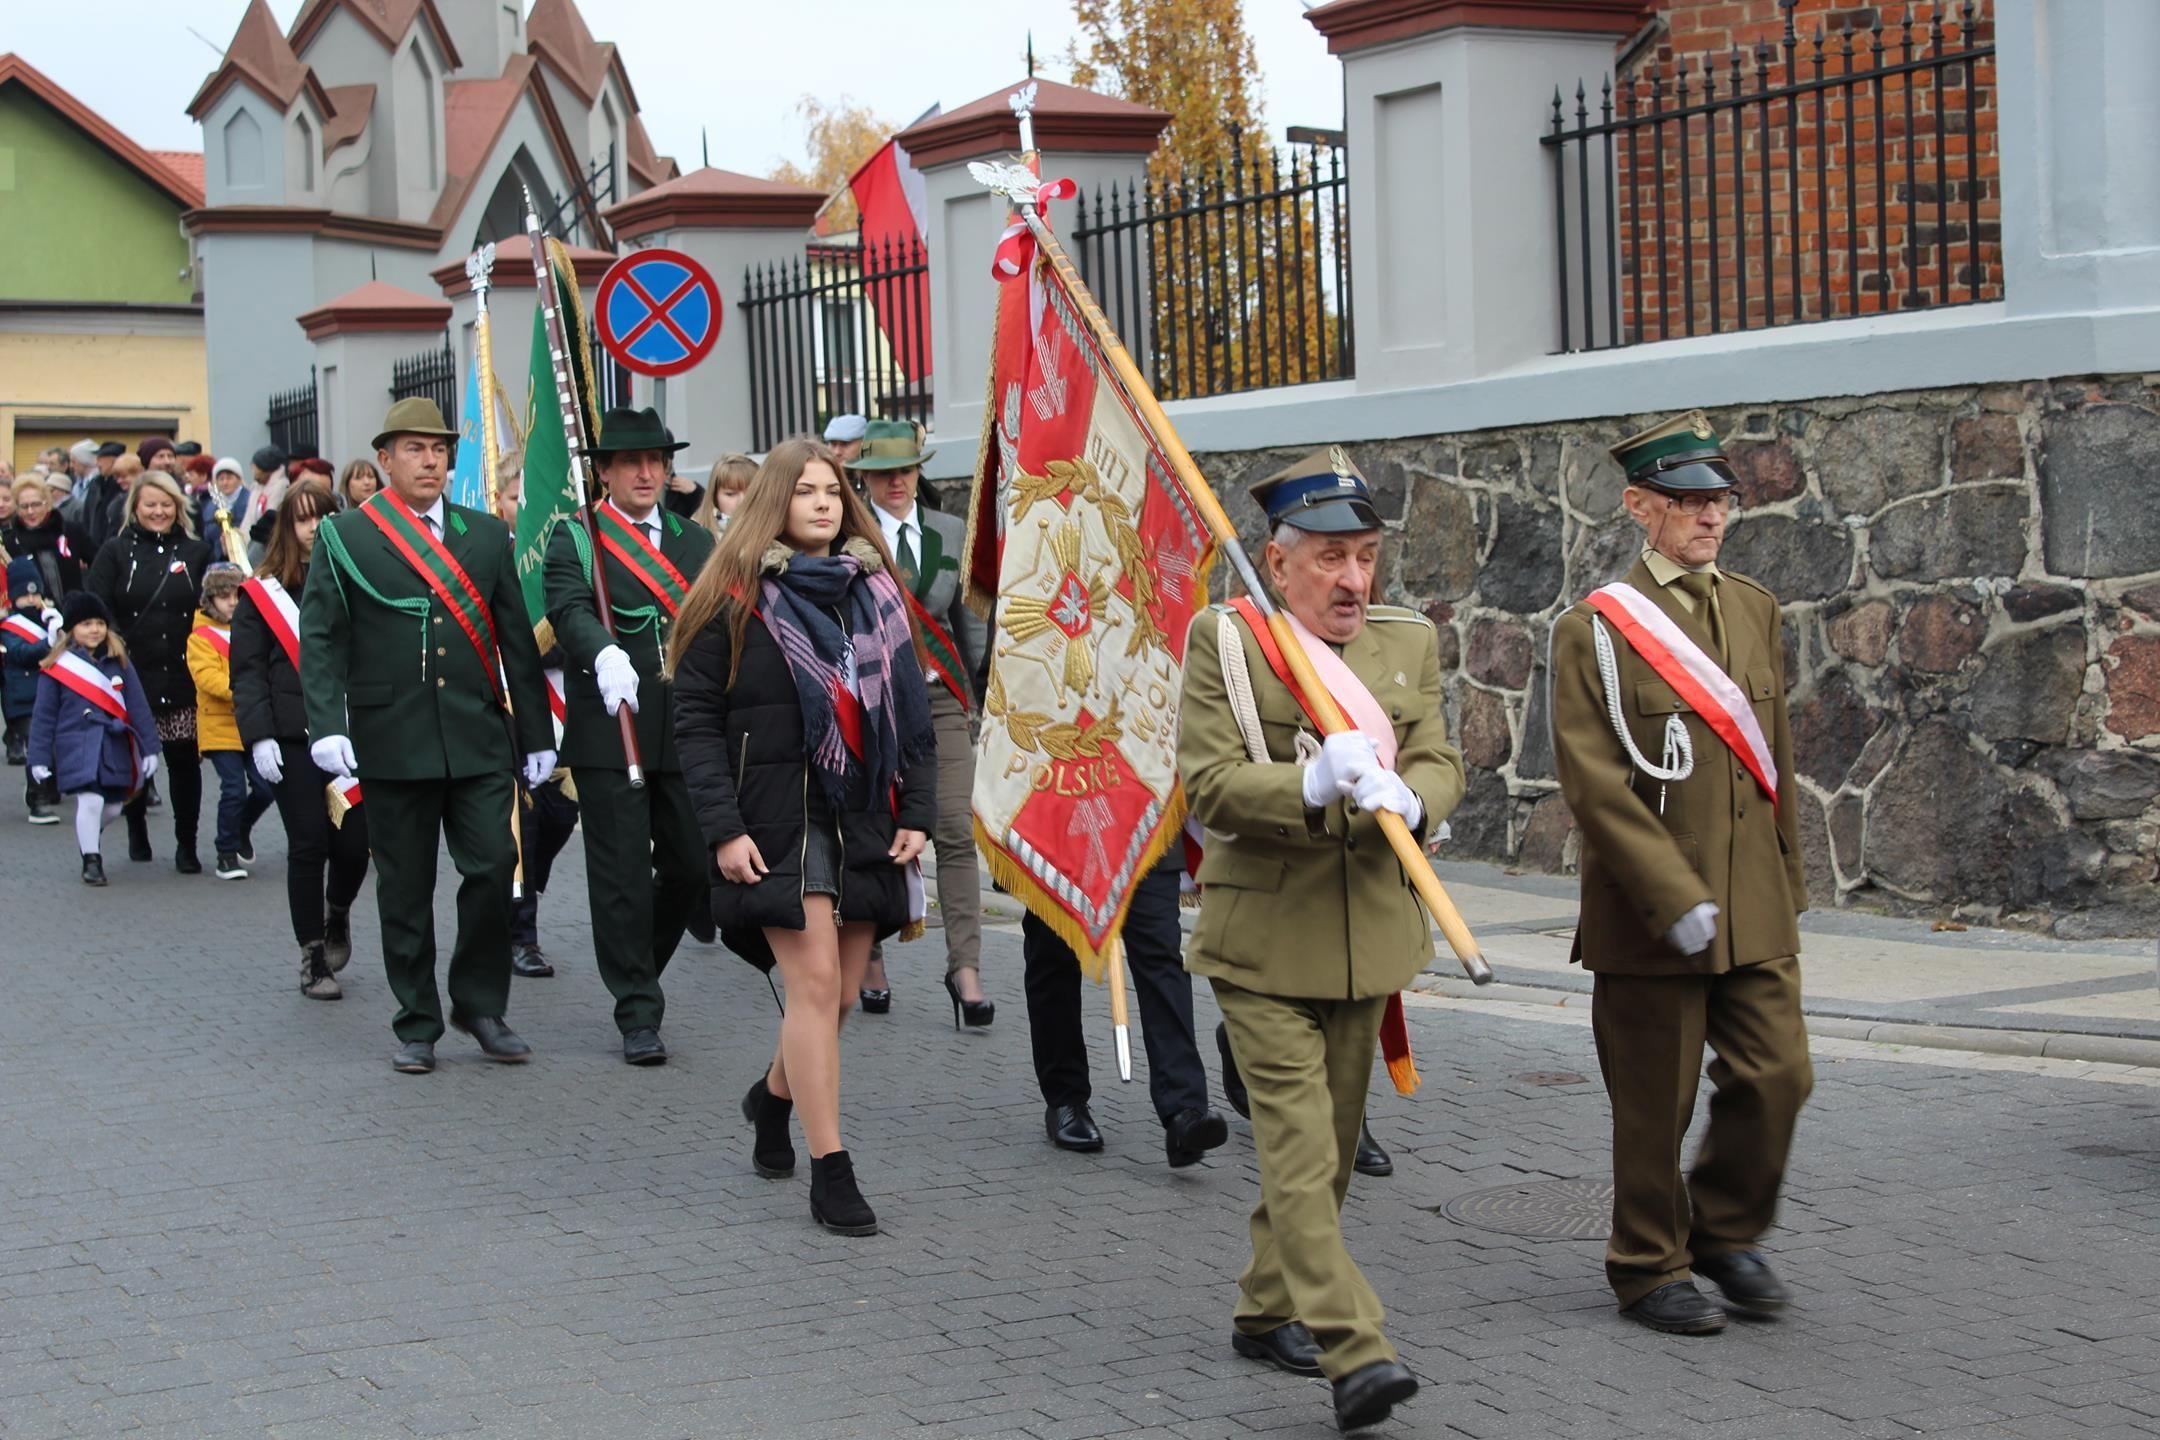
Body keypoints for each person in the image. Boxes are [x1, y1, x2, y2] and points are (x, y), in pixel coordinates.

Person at [1177, 447, 1464, 1431]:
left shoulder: (1403, 643)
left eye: (1367, 557)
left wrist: (1413, 798)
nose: (1354, 580)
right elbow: (1208, 784)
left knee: (1331, 1157)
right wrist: (1304, 785)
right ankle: (1356, 1346)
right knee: (1298, 1153)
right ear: (1281, 558)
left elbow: (1439, 757)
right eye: (1333, 558)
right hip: (1261, 944)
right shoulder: (1226, 642)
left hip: (1367, 941)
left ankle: (1265, 1312)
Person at [1548, 411, 1811, 1337]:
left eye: (1720, 501)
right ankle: (1646, 1266)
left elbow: (1772, 755)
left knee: (1779, 1074)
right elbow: (1595, 783)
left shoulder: (1752, 607)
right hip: (1653, 913)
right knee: (1656, 1104)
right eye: (1689, 502)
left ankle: (1725, 1230)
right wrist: (1674, 895)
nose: (1710, 518)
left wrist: (1787, 883)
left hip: (1753, 904)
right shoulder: (1597, 632)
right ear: (1639, 507)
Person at [671, 436, 936, 1236]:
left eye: (832, 491)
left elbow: (914, 714)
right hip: (775, 816)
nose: (821, 503)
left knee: (845, 994)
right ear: (773, 503)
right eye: (804, 492)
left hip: (860, 811)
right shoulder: (731, 595)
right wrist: (723, 829)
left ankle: (771, 1098)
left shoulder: (876, 591)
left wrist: (918, 811)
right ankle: (832, 1169)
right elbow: (695, 722)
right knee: (815, 987)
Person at [299, 399, 553, 1071]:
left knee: (495, 869)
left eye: (439, 448)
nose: (431, 459)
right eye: (414, 449)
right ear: (384, 461)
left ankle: (478, 1003)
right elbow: (320, 637)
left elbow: (516, 643)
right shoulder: (346, 536)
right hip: (391, 738)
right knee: (405, 890)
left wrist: (536, 733)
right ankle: (417, 1020)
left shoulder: (484, 534)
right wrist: (326, 724)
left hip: (475, 736)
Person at [543, 406, 716, 1065]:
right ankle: (639, 1009)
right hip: (610, 730)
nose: (646, 472)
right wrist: (601, 651)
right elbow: (567, 607)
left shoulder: (693, 542)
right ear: (606, 473)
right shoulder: (577, 539)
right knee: (618, 876)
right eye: (631, 463)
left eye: (656, 461)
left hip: (686, 727)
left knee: (692, 866)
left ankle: (637, 962)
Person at [846, 419, 991, 1023]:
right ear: (865, 480)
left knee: (955, 828)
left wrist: (975, 695)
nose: (898, 480)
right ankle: (872, 955)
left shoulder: (950, 531)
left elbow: (971, 625)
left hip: (940, 699)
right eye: (884, 472)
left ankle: (965, 967)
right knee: (877, 828)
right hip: (874, 703)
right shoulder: (849, 537)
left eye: (906, 468)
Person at [234, 479, 370, 1001]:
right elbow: (247, 672)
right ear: (287, 528)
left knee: (355, 847)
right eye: (304, 518)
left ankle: (337, 913)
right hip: (291, 736)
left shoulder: (357, 581)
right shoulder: (262, 594)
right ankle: (313, 955)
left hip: (351, 734)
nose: (315, 527)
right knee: (309, 841)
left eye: (324, 515)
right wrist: (259, 736)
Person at [1023, 853, 1230, 1166]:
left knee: (1161, 954)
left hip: (1144, 822)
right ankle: (1065, 1097)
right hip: (1053, 828)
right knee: (1053, 956)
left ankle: (1184, 1109)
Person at [88, 468, 210, 873]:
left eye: (166, 505)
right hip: (133, 673)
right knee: (136, 758)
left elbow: (212, 605)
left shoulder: (197, 551)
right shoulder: (115, 551)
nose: (158, 512)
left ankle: (186, 844)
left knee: (184, 763)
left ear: (178, 509)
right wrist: (116, 647)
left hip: (183, 672)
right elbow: (98, 604)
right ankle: (136, 829)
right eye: (150, 505)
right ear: (135, 508)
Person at [29, 591, 161, 886]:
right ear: (72, 628)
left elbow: (137, 706)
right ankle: (92, 860)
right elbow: (43, 717)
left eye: (99, 623)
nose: (94, 629)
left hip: (113, 745)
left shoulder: (120, 662)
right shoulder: (57, 667)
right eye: (86, 623)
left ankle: (88, 836)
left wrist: (150, 748)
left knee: (113, 807)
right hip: (75, 745)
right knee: (90, 801)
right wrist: (37, 759)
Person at [186, 563, 273, 879]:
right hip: (220, 724)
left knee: (266, 787)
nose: (232, 602)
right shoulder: (200, 637)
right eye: (223, 596)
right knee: (234, 788)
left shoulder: (254, 629)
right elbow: (207, 678)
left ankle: (241, 828)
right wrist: (244, 691)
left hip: (252, 722)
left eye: (236, 594)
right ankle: (226, 852)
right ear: (210, 600)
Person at [4, 558, 62, 822]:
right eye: (24, 595)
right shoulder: (8, 628)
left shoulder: (47, 620)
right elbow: (21, 653)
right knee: (37, 746)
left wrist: (59, 632)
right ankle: (36, 800)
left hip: (49, 696)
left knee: (52, 745)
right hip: (21, 699)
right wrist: (48, 642)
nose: (31, 599)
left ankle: (49, 787)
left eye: (35, 593)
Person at [1, 475, 88, 601]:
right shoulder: (10, 542)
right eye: (24, 506)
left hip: (74, 611)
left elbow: (97, 564)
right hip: (33, 614)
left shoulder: (71, 531)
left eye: (36, 504)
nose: (30, 511)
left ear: (47, 503)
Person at [692, 453, 755, 537]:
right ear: (714, 496)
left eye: (751, 492)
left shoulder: (773, 529)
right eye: (730, 494)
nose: (742, 501)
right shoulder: (694, 533)